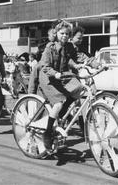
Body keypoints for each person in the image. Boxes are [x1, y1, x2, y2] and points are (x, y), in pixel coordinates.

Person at [38, 20, 84, 150]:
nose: (64, 36)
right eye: (62, 33)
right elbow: (44, 66)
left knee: (79, 88)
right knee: (58, 103)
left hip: (62, 75)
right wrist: (55, 73)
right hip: (48, 77)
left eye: (67, 33)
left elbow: (69, 58)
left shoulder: (68, 46)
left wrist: (75, 65)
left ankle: (62, 113)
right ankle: (48, 133)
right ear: (56, 33)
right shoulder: (50, 47)